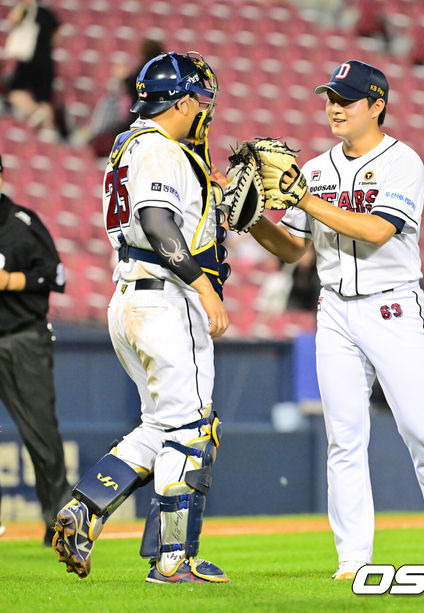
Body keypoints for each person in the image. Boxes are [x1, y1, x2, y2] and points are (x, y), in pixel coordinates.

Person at [245, 60, 424, 578]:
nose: (335, 108)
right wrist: (252, 221)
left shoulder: (404, 162)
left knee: (422, 429)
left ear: (377, 104)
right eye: (330, 98)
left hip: (392, 307)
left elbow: (378, 231)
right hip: (334, 309)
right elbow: (293, 249)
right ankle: (353, 558)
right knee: (344, 437)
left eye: (347, 99)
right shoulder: (314, 169)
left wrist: (306, 200)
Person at [53, 52, 230, 584]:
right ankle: (173, 560)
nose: (205, 109)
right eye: (200, 99)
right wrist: (204, 287)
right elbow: (155, 219)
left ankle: (83, 511)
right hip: (165, 298)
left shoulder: (130, 144)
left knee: (161, 425)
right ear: (180, 101)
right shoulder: (157, 147)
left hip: (130, 297)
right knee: (193, 427)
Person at [0, 153, 70, 546]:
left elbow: (56, 274)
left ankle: (60, 524)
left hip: (23, 338)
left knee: (41, 436)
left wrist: (10, 279)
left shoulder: (22, 225)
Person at [5, 0, 60, 134]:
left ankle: (36, 113)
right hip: (47, 62)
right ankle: (49, 131)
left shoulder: (26, 10)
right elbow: (57, 34)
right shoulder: (47, 12)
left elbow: (12, 20)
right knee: (44, 100)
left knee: (15, 94)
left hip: (30, 61)